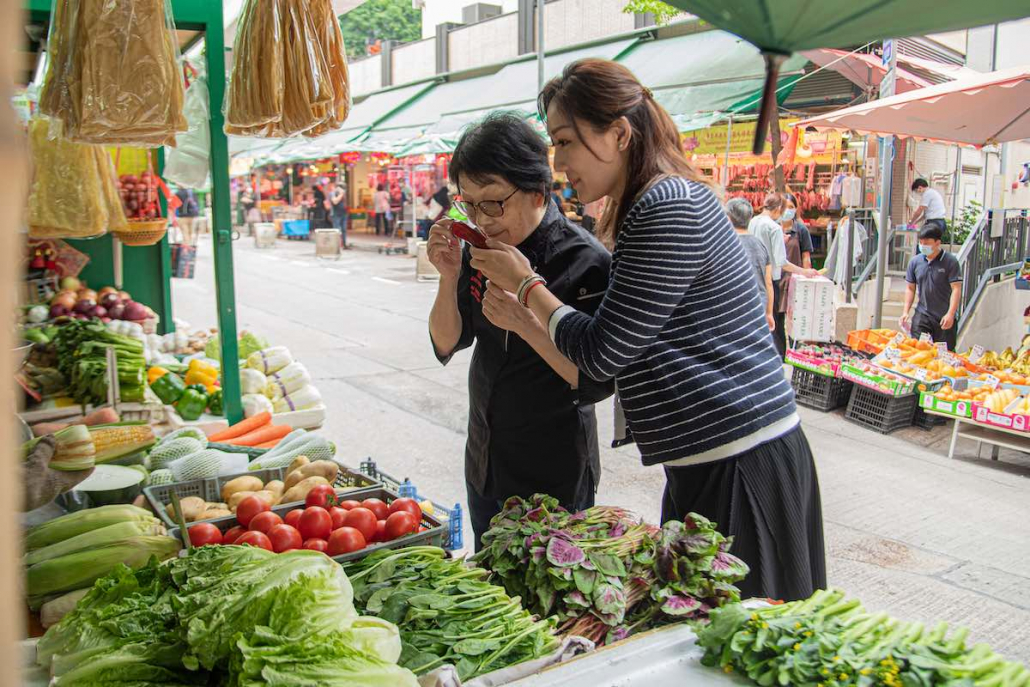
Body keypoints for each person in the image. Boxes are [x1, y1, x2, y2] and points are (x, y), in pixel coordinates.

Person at [469, 59, 825, 601]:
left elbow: (601, 353)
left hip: (743, 464)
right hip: (709, 463)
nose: (559, 162)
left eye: (565, 141)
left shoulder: (668, 204)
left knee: (751, 640)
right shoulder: (648, 205)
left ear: (618, 133)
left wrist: (525, 286)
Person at [426, 112, 614, 551]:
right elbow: (446, 341)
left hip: (555, 472)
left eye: (492, 203)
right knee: (491, 581)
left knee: (552, 604)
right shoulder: (478, 249)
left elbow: (594, 379)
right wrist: (447, 275)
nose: (482, 219)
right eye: (467, 204)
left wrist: (525, 323)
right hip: (486, 459)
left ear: (536, 189)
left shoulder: (586, 261)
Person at [748, 193, 819, 356]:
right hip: (770, 281)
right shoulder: (774, 228)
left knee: (758, 322)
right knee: (776, 323)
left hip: (753, 279)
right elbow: (781, 262)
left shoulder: (753, 222)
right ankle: (778, 360)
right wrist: (804, 271)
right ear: (779, 208)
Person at [900, 224, 962, 350]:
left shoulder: (950, 262)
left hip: (943, 317)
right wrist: (905, 311)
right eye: (921, 242)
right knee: (918, 350)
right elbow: (910, 288)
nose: (923, 246)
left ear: (937, 243)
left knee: (944, 355)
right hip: (922, 315)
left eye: (927, 243)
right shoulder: (915, 262)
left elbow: (956, 288)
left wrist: (950, 314)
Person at [727, 198, 774, 332]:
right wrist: (769, 313)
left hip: (733, 310)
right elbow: (768, 282)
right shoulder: (760, 245)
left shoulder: (725, 244)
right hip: (757, 307)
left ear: (728, 219)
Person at [328, 181, 348, 248]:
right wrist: (341, 195)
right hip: (335, 214)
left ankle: (344, 244)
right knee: (336, 230)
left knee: (344, 229)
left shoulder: (343, 194)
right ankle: (336, 244)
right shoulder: (332, 193)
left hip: (343, 213)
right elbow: (335, 202)